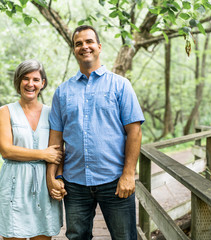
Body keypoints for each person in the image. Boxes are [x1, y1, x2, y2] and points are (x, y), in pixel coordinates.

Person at [47, 25, 145, 240]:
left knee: (125, 237)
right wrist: (53, 176)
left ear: (99, 47)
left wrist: (128, 175)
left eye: (89, 41)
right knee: (77, 237)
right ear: (74, 50)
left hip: (114, 180)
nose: (84, 47)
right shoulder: (62, 92)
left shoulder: (121, 86)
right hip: (74, 184)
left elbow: (134, 132)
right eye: (78, 43)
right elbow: (55, 140)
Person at [0, 59, 63, 240]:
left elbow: (59, 151)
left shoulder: (52, 112)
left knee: (42, 236)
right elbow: (6, 150)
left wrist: (58, 179)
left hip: (43, 182)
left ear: (43, 83)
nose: (30, 84)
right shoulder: (5, 111)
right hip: (15, 182)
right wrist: (43, 154)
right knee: (13, 234)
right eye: (25, 79)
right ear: (18, 81)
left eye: (35, 79)